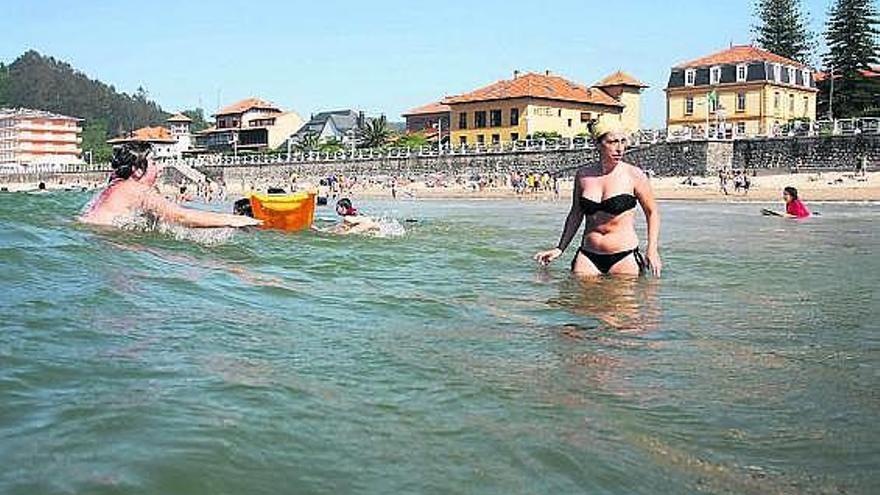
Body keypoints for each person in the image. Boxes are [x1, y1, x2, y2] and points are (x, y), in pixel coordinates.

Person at [534, 121, 662, 277]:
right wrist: (559, 249)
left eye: (623, 141)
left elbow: (652, 213)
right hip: (588, 255)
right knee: (578, 300)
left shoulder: (634, 175)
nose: (620, 148)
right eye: (612, 142)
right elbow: (575, 214)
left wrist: (652, 249)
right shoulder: (583, 175)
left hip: (624, 256)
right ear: (597, 144)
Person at [79, 143, 260, 228]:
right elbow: (180, 217)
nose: (159, 168)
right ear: (137, 170)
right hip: (105, 237)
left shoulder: (116, 185)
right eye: (154, 162)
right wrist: (232, 220)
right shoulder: (136, 189)